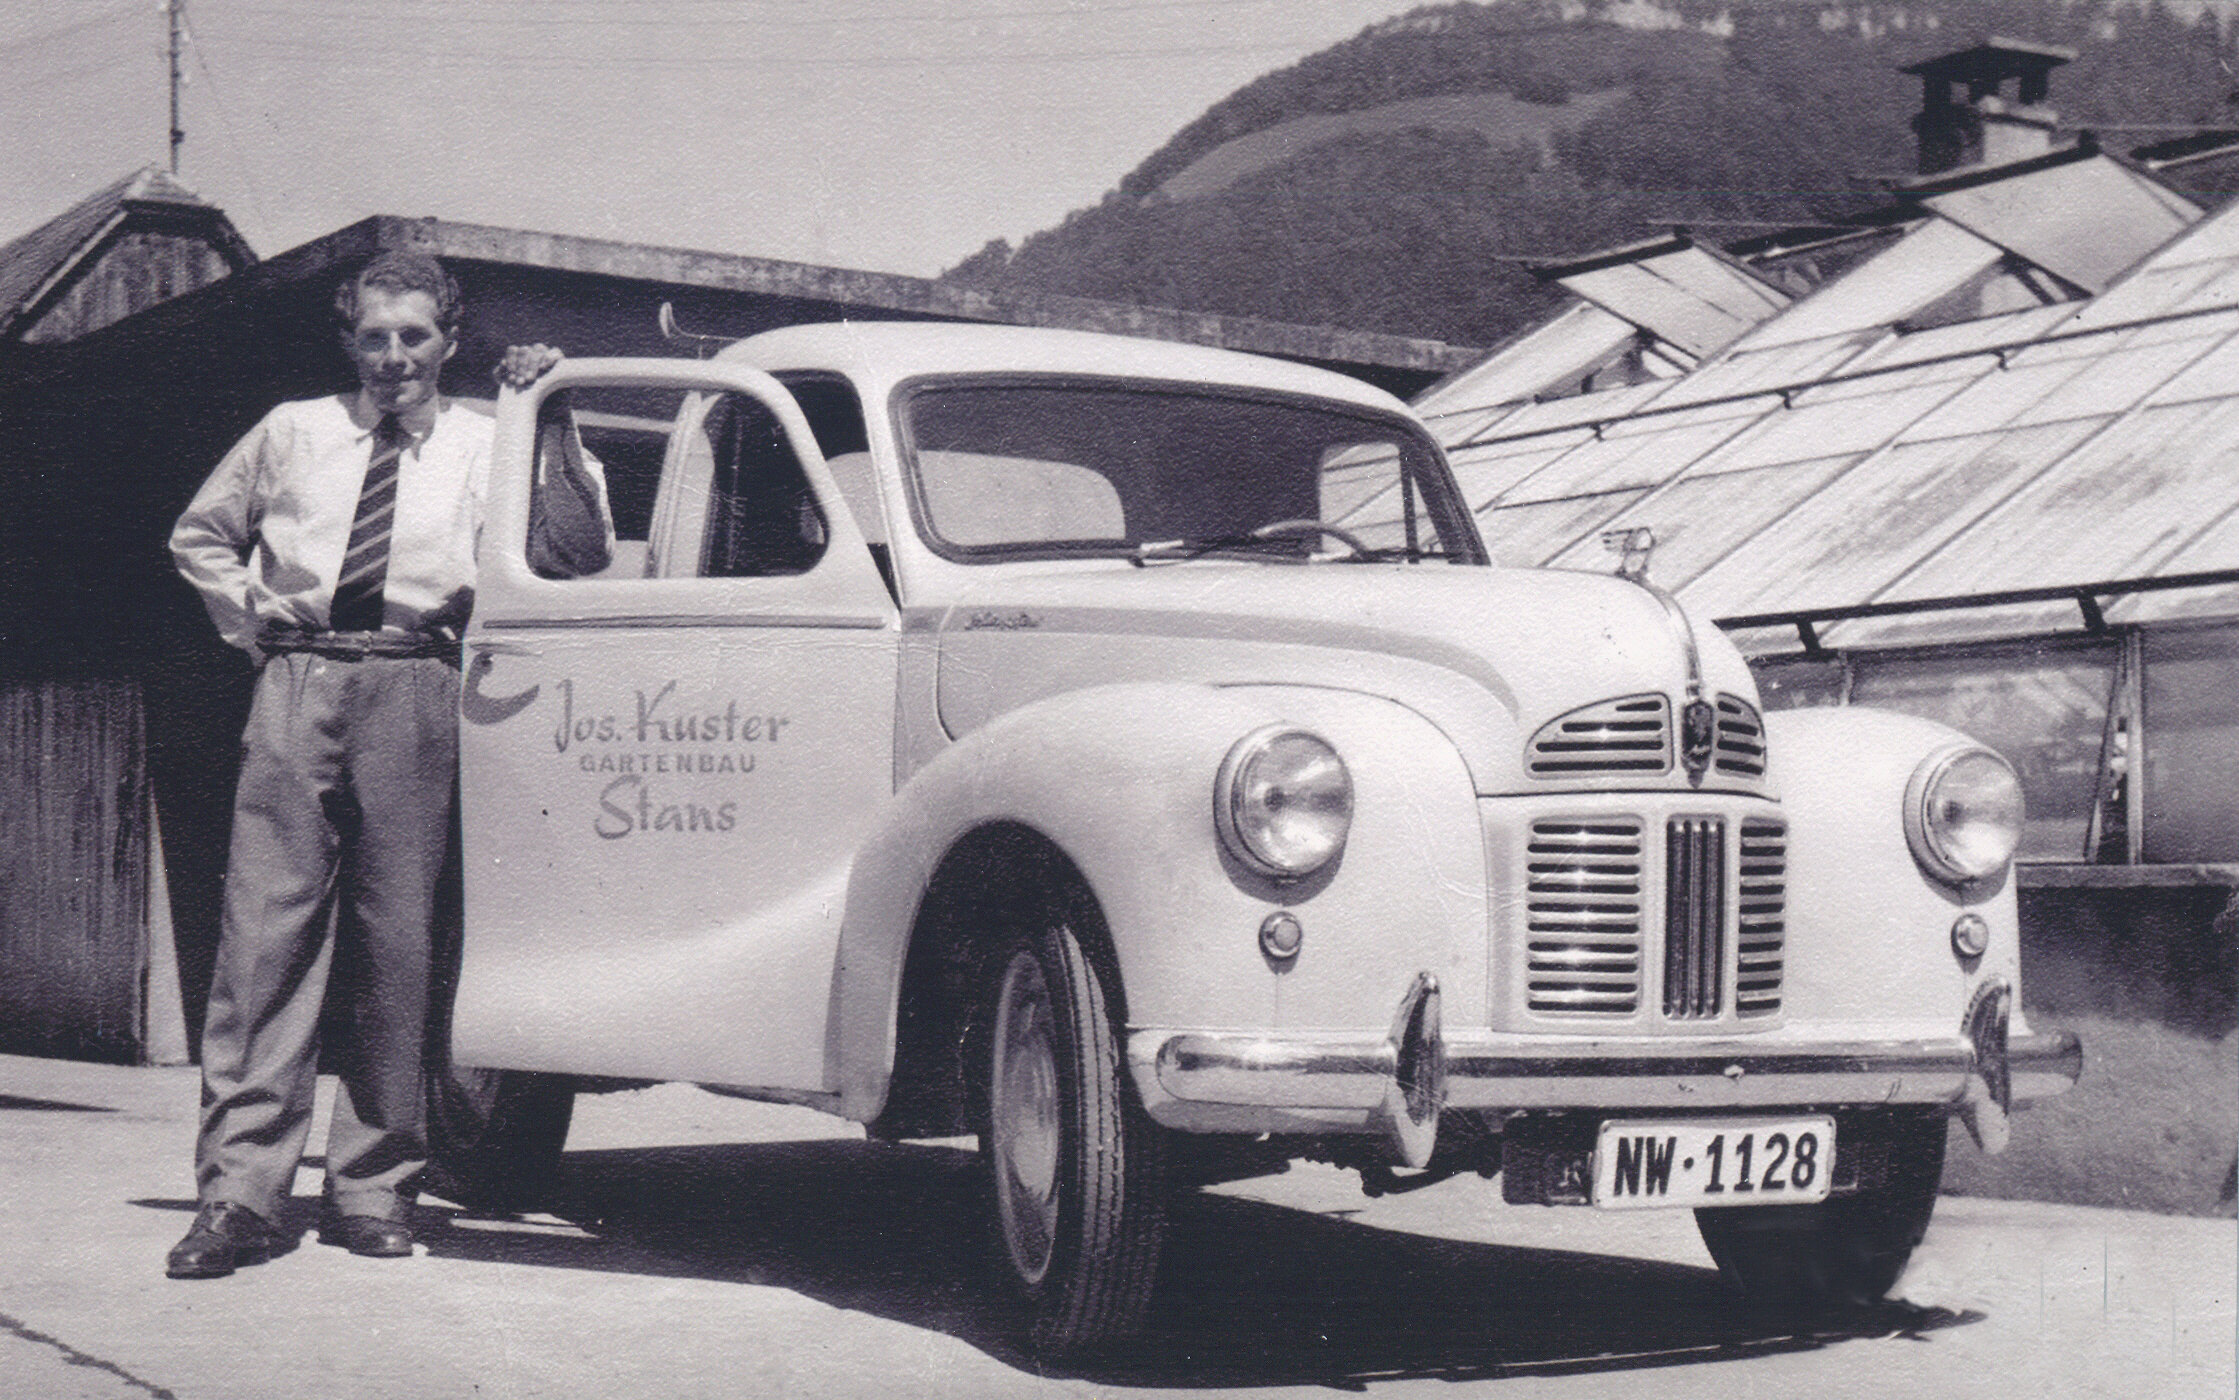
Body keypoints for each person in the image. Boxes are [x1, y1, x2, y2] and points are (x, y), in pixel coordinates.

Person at [164, 251, 612, 1278]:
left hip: (417, 685)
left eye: (415, 335)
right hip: (299, 681)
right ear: (350, 341)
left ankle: (372, 1186)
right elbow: (200, 534)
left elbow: (579, 549)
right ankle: (238, 1194)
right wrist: (252, 612)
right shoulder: (292, 429)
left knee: (396, 947)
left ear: (448, 340)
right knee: (261, 945)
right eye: (376, 336)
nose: (395, 356)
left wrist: (548, 408)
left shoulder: (490, 439)